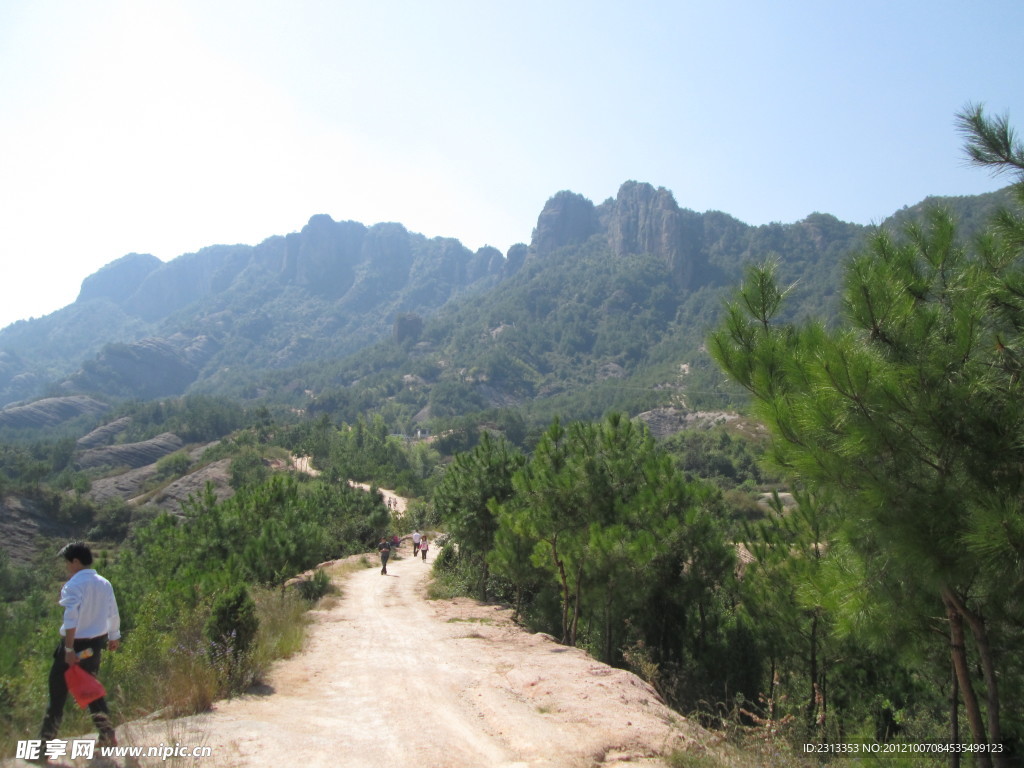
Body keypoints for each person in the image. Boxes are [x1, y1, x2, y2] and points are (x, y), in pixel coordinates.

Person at [38, 542, 121, 756]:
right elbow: (112, 611)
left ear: (75, 561)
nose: (66, 566)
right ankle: (107, 734)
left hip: (74, 646)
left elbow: (71, 619)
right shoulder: (104, 583)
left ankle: (44, 748)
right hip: (94, 646)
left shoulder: (74, 585)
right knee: (90, 688)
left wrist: (68, 650)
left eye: (67, 561)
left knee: (57, 695)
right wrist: (114, 636)